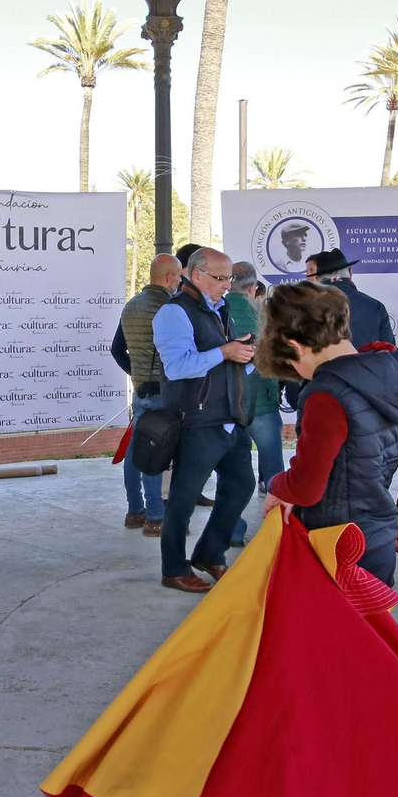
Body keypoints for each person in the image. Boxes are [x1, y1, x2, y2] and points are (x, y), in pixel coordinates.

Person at [257, 282, 398, 587]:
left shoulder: (325, 394)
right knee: (371, 632)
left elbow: (307, 488)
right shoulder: (389, 379)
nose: (297, 374)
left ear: (295, 346)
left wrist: (278, 485)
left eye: (292, 365)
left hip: (335, 545)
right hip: (378, 541)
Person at [152, 248, 256, 593]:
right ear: (196, 275)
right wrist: (225, 351)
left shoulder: (220, 309)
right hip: (197, 420)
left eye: (229, 278)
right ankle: (174, 569)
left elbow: (222, 361)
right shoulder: (173, 312)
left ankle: (210, 552)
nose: (228, 285)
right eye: (221, 278)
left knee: (242, 485)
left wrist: (247, 355)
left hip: (229, 418)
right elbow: (178, 367)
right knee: (183, 497)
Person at [115, 253, 181, 536]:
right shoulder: (169, 308)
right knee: (156, 452)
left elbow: (117, 349)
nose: (179, 283)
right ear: (169, 278)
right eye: (178, 277)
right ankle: (156, 516)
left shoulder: (131, 306)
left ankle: (134, 511)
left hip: (140, 390)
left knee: (134, 451)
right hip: (163, 391)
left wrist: (136, 374)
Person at [229, 261, 285, 494]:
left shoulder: (215, 311)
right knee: (274, 466)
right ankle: (279, 519)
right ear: (253, 288)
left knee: (231, 470)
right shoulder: (265, 315)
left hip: (228, 400)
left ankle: (232, 523)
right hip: (263, 397)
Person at [307, 248, 396, 348]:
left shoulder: (307, 309)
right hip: (369, 363)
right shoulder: (376, 307)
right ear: (350, 271)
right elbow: (390, 352)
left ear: (317, 278)